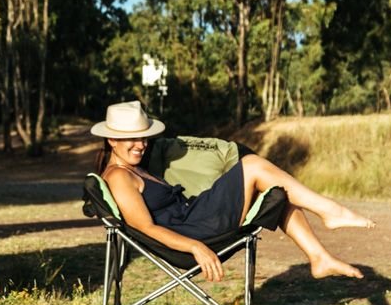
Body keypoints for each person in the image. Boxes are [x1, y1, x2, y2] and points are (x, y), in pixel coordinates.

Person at [91, 100, 373, 282]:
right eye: (131, 139)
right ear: (112, 139)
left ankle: (319, 257)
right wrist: (195, 246)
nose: (140, 144)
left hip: (195, 218)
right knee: (250, 164)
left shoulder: (135, 168)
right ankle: (330, 211)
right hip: (193, 231)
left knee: (275, 192)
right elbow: (147, 228)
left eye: (143, 137)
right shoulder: (118, 177)